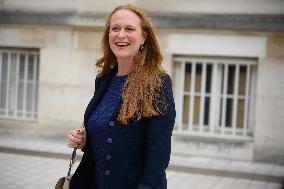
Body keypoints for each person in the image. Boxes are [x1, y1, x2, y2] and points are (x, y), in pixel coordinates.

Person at [66, 4, 176, 189]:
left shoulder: (157, 82)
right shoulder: (103, 79)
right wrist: (86, 140)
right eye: (115, 28)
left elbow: (158, 156)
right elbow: (110, 136)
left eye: (129, 29)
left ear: (144, 37)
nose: (121, 34)